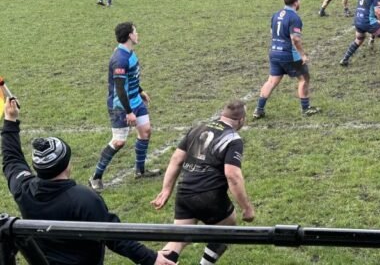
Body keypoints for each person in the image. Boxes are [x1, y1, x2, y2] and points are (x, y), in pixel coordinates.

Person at [2, 99, 173, 265]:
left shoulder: (23, 189)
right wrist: (150, 258)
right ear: (67, 165)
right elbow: (115, 237)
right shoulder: (84, 199)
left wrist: (10, 119)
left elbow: (12, 160)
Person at [151, 100, 255, 265]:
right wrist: (247, 208)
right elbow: (233, 175)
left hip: (185, 193)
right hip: (209, 196)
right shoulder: (233, 139)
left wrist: (166, 190)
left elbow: (176, 159)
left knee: (178, 240)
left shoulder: (198, 128)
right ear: (241, 119)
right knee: (228, 226)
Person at [89, 22, 161, 192]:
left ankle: (140, 171)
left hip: (135, 100)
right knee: (119, 141)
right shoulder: (119, 59)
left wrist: (140, 90)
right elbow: (120, 88)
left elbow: (131, 77)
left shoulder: (129, 53)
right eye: (136, 32)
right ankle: (95, 177)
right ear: (130, 35)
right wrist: (128, 112)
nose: (138, 34)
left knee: (145, 132)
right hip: (120, 106)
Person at [254, 0, 320, 119]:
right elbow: (295, 39)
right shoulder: (294, 17)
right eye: (299, 0)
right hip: (289, 54)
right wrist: (302, 55)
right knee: (304, 79)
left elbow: (272, 32)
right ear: (295, 2)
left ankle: (259, 109)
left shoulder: (276, 14)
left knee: (271, 81)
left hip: (274, 52)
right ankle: (306, 109)